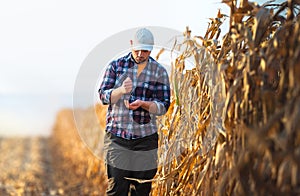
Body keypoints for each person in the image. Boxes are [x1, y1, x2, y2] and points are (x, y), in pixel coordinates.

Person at [98, 27, 171, 196]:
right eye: (137, 50)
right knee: (117, 189)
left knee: (142, 190)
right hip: (117, 137)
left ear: (151, 49)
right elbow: (103, 96)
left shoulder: (159, 71)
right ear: (131, 45)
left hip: (145, 140)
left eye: (144, 51)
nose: (140, 54)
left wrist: (143, 104)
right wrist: (121, 90)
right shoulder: (116, 66)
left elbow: (163, 106)